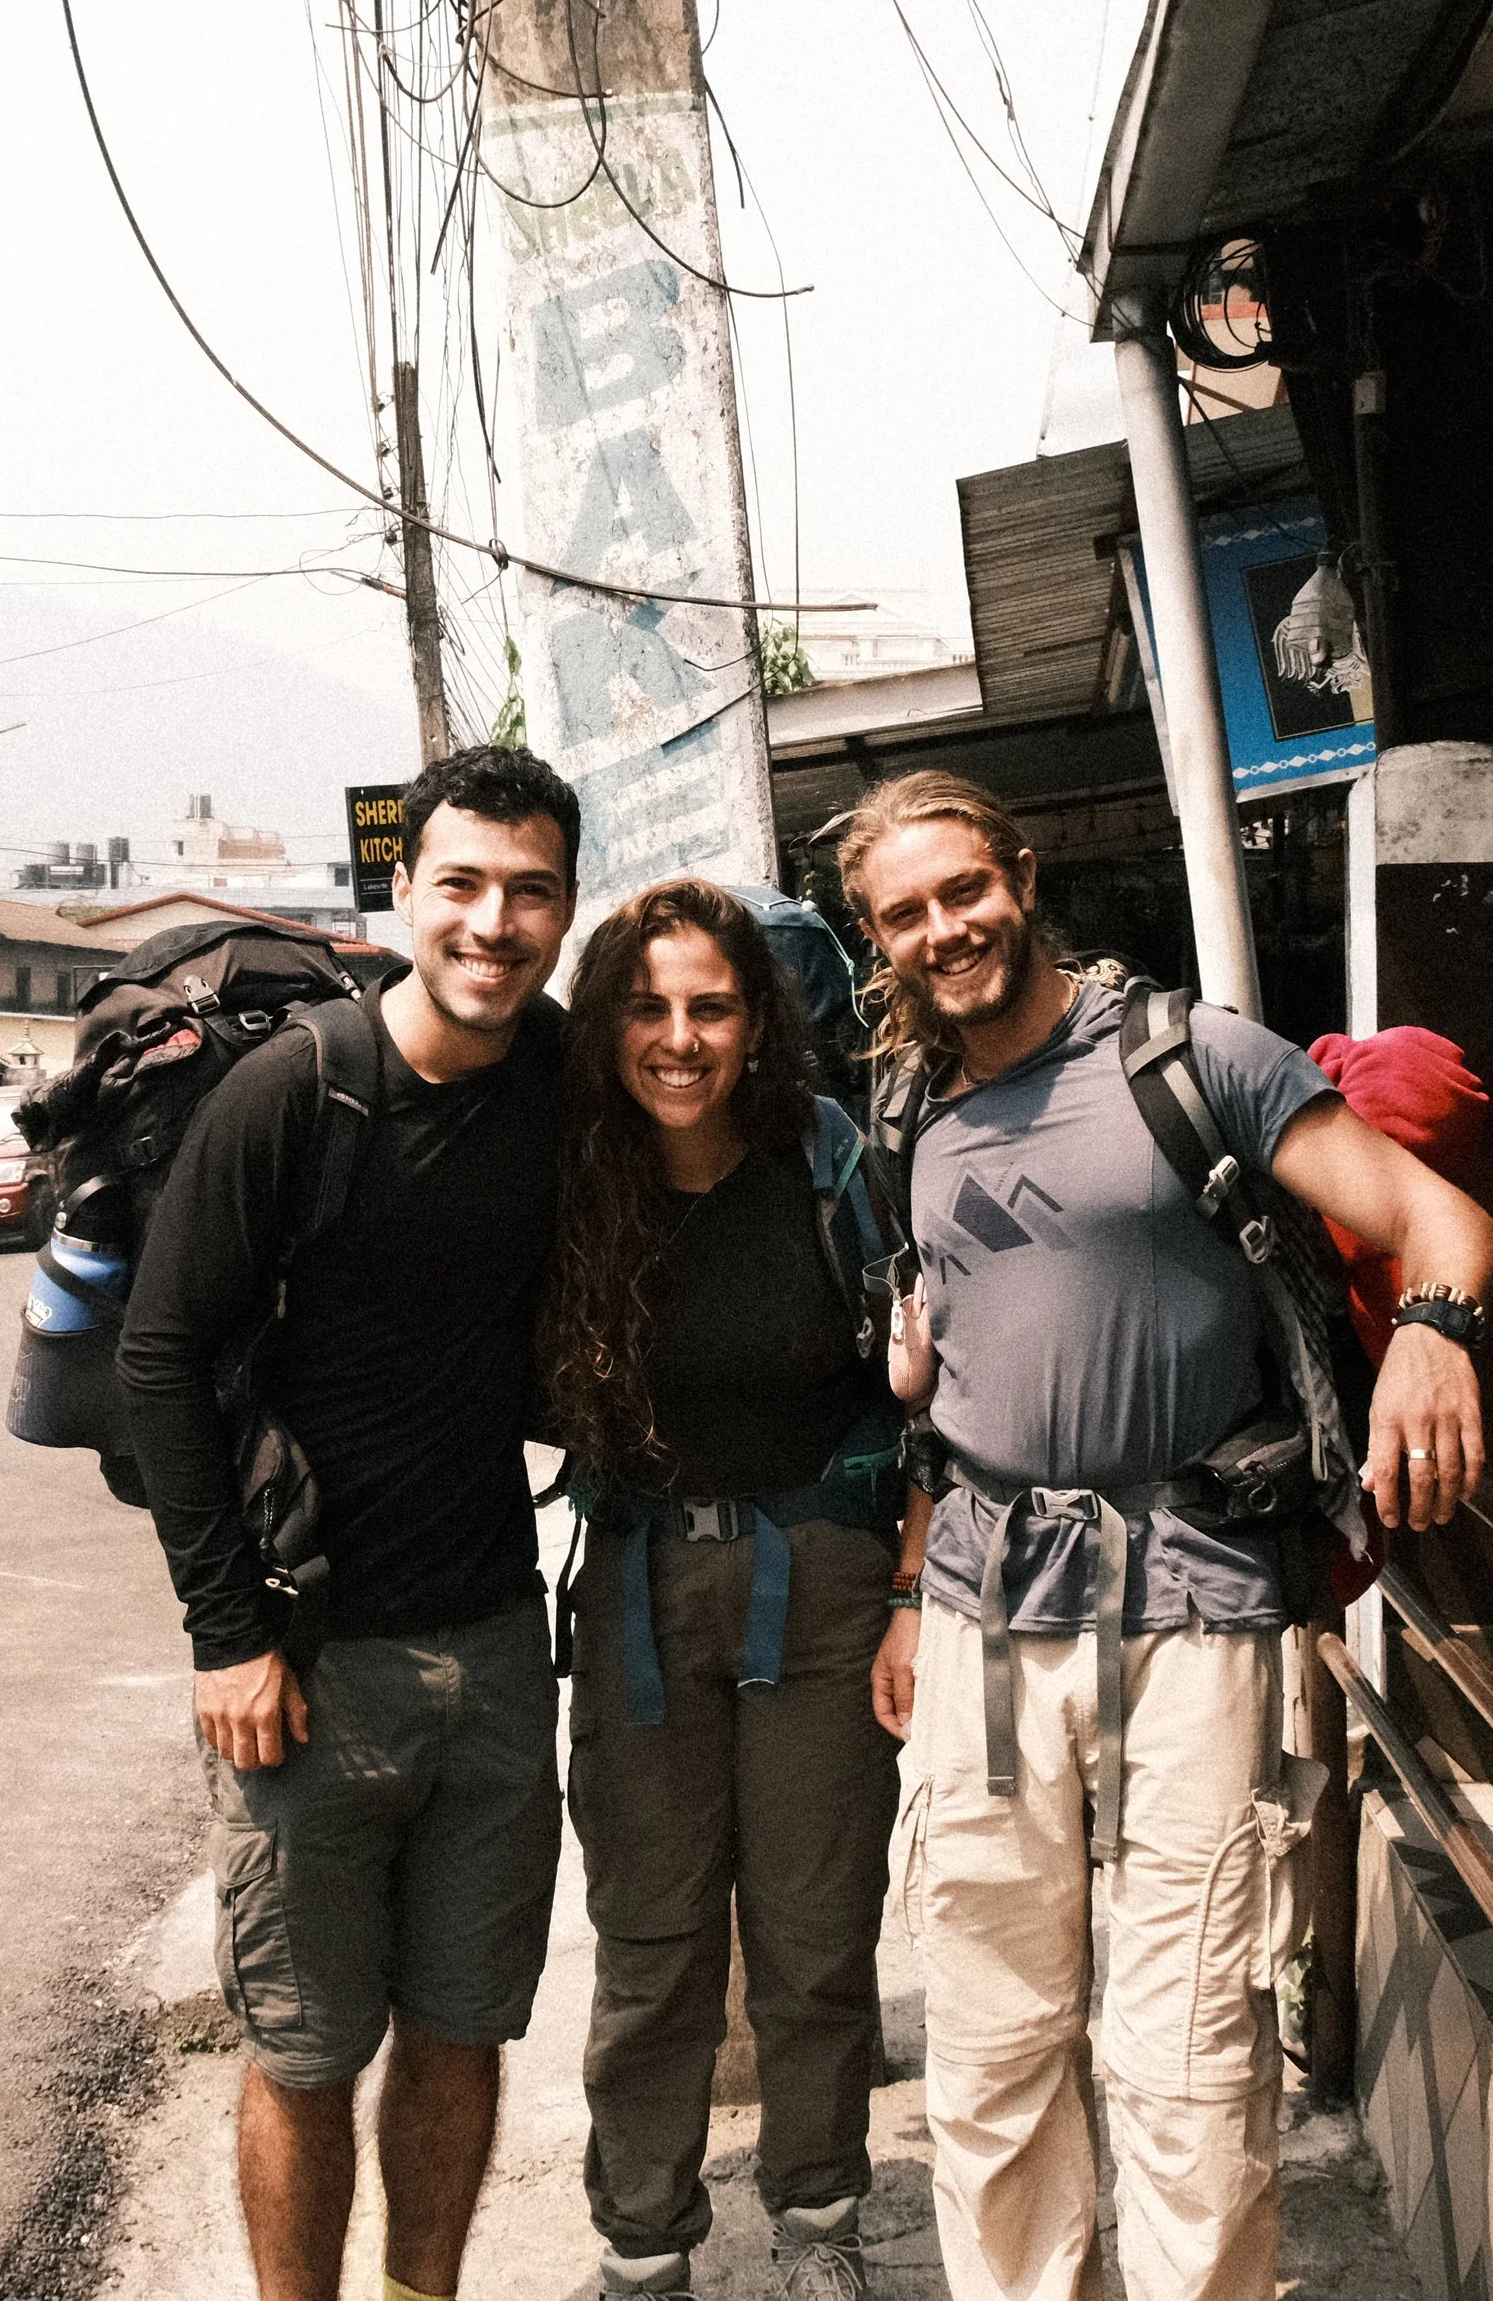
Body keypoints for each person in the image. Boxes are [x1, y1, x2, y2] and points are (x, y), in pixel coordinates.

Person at [844, 772, 1493, 2301]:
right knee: (989, 2058)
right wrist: (910, 1590)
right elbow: (954, 1392)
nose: (946, 929)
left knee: (1189, 2061)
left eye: (964, 890)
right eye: (906, 914)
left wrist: (1435, 1334)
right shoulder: (911, 1116)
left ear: (1021, 875)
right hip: (984, 1628)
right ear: (879, 942)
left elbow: (1442, 1222)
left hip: (1194, 1619)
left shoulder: (1192, 1057)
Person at [117, 746, 581, 2301]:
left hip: (496, 1648)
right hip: (309, 1666)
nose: (493, 923)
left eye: (529, 892)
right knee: (305, 2051)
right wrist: (226, 1636)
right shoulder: (296, 1093)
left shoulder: (560, 1077)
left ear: (565, 908)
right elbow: (161, 1360)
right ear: (404, 893)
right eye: (463, 885)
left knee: (463, 2032)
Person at [545, 879, 905, 2301]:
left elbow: (917, 1383)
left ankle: (820, 2222)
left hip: (820, 1584)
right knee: (652, 1942)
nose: (679, 1038)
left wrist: (911, 1583)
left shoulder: (826, 1158)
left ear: (759, 1021)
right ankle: (644, 2244)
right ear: (605, 1025)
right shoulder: (569, 1173)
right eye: (647, 1007)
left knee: (818, 1935)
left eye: (711, 1006)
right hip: (637, 1591)